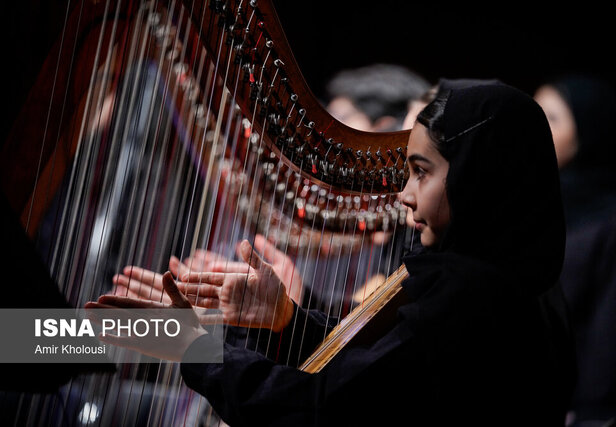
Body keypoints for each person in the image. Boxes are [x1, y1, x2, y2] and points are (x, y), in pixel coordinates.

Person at [88, 82, 575, 425]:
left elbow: (326, 408)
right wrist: (286, 319)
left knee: (48, 349)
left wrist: (191, 344)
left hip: (201, 377)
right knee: (50, 344)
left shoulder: (469, 294)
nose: (401, 194)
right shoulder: (498, 278)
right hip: (174, 359)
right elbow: (371, 381)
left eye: (420, 171)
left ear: (477, 179)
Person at [534, 75, 616, 426]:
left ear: (587, 133)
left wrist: (589, 409)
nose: (535, 127)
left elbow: (611, 323)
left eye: (551, 118)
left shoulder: (614, 218)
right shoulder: (528, 201)